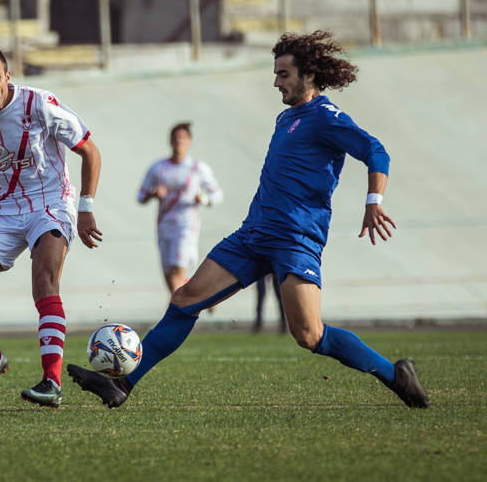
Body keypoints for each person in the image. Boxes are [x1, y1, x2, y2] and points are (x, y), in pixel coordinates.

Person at [67, 30, 429, 409]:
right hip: (254, 233)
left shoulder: (326, 118)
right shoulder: (286, 118)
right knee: (186, 297)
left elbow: (376, 151)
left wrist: (373, 201)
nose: (276, 82)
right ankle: (122, 384)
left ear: (308, 75)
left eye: (284, 74)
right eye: (275, 73)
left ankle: (396, 374)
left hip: (295, 238)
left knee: (308, 335)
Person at [0, 41, 102, 408]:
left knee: (44, 281)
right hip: (5, 210)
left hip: (52, 203)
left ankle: (51, 381)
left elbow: (89, 149)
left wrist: (86, 208)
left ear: (7, 76)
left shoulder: (39, 104)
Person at [137, 122, 222, 294]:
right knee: (169, 275)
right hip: (164, 225)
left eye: (183, 138)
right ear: (170, 141)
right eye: (175, 138)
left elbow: (217, 194)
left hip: (186, 226)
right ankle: (203, 295)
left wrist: (203, 199)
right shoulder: (158, 168)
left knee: (177, 272)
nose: (179, 141)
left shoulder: (197, 168)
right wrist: (153, 194)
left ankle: (173, 316)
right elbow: (141, 196)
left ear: (189, 141)